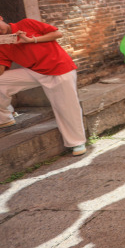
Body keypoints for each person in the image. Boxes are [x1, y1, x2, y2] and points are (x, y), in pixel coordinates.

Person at [0, 16, 86, 155]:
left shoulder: (26, 23)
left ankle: (77, 143)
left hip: (59, 69)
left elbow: (57, 33)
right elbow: (1, 70)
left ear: (1, 18)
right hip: (35, 72)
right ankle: (4, 117)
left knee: (66, 106)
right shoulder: (2, 43)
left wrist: (31, 40)